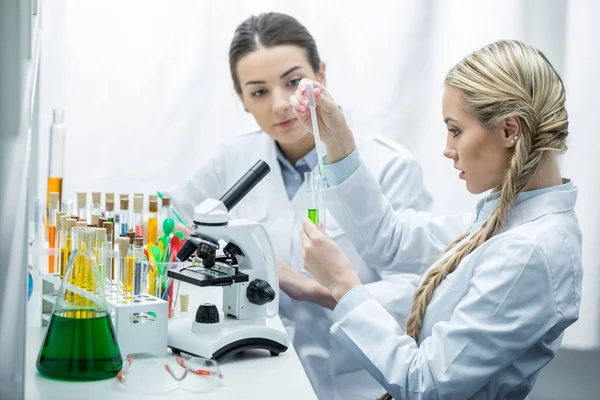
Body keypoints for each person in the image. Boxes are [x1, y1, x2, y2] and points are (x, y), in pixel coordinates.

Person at [291, 40, 583, 399]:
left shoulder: (528, 252)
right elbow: (392, 241)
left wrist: (345, 288)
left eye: (456, 130)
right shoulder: (505, 220)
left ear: (509, 130)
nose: (447, 148)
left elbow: (425, 385)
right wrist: (337, 137)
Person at [164, 12, 432, 399]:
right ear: (241, 98)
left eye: (292, 83)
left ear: (320, 75)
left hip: (360, 383)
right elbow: (175, 224)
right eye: (258, 92)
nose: (280, 105)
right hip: (253, 375)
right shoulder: (231, 160)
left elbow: (419, 291)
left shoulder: (389, 166)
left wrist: (319, 290)